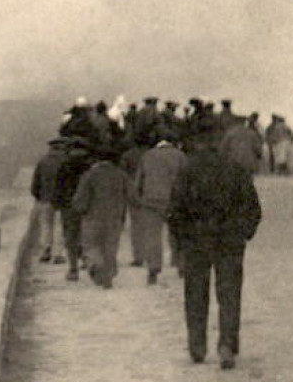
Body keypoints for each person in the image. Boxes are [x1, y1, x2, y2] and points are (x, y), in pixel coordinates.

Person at [167, 129, 262, 369]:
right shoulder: (236, 170)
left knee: (195, 295)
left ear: (197, 144)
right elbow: (253, 209)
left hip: (197, 241)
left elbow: (175, 210)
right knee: (229, 295)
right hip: (229, 242)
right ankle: (227, 345)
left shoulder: (188, 170)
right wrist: (242, 233)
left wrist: (182, 239)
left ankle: (197, 347)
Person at [133, 129, 187, 285]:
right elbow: (187, 179)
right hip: (175, 201)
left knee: (153, 236)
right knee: (178, 233)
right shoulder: (180, 156)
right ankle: (181, 266)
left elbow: (139, 181)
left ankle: (153, 269)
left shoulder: (147, 155)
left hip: (151, 201)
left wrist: (138, 199)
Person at [72, 147, 131, 288]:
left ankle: (95, 264)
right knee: (110, 247)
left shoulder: (89, 175)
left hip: (92, 217)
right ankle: (108, 276)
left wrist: (79, 209)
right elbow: (132, 195)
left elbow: (80, 198)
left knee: (91, 245)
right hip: (115, 218)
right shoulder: (121, 175)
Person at [52, 137, 95, 281]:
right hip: (88, 207)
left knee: (71, 238)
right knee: (88, 236)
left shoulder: (65, 166)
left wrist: (57, 204)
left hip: (68, 206)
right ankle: (89, 263)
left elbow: (58, 188)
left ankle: (73, 269)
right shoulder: (91, 166)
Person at [31, 137, 67, 263]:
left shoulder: (43, 162)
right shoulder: (66, 161)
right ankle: (58, 254)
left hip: (45, 198)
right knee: (61, 226)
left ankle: (46, 250)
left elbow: (35, 183)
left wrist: (38, 196)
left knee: (46, 225)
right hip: (63, 199)